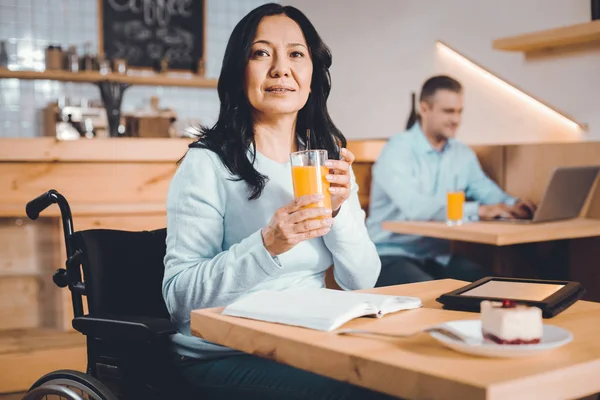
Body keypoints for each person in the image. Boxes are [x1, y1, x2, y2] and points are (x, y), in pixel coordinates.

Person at [163, 4, 392, 399]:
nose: (281, 69)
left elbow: (363, 281)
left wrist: (339, 212)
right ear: (240, 71)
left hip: (307, 339)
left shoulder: (325, 160)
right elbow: (181, 303)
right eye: (261, 53)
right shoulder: (207, 163)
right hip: (224, 354)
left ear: (311, 75)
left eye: (296, 54)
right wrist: (267, 244)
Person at [366, 75, 536, 287]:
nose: (456, 120)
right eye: (448, 111)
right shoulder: (397, 150)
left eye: (459, 111)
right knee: (430, 297)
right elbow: (416, 208)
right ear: (424, 109)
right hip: (388, 254)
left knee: (499, 287)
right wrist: (480, 210)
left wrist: (514, 205)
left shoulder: (461, 154)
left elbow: (486, 190)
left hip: (437, 256)